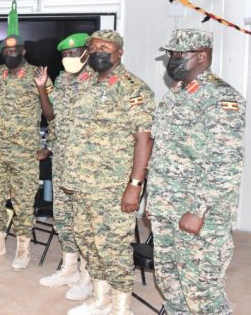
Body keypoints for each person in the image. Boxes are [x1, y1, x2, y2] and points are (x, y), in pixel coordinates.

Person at [148, 29, 245, 315]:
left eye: (179, 54)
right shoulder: (176, 94)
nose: (173, 59)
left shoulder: (220, 98)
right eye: (171, 54)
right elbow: (164, 152)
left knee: (201, 291)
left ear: (202, 56)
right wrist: (155, 202)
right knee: (170, 283)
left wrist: (198, 210)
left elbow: (225, 163)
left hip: (198, 213)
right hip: (168, 208)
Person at [64, 30, 154, 315]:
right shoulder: (85, 82)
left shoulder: (133, 88)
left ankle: (121, 306)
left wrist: (135, 184)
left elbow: (144, 139)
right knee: (87, 240)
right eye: (94, 48)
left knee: (113, 247)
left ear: (120, 53)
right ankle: (100, 298)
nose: (98, 52)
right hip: (82, 182)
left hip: (113, 186)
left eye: (106, 48)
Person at [0, 35, 54, 270]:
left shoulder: (37, 75)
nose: (11, 54)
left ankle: (23, 250)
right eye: (6, 51)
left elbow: (53, 115)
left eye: (15, 50)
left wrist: (49, 146)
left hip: (24, 153)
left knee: (23, 202)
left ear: (23, 51)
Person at [39, 33, 94, 301]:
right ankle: (70, 268)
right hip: (62, 160)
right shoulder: (63, 80)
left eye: (73, 53)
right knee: (64, 218)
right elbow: (52, 116)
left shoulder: (98, 81)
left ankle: (87, 275)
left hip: (86, 165)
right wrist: (42, 88)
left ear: (87, 52)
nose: (68, 58)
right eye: (64, 55)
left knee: (85, 222)